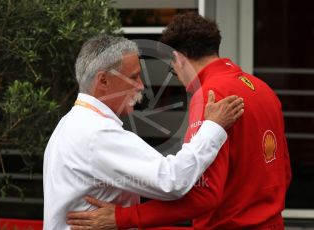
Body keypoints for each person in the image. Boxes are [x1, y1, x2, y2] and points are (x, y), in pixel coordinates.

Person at [66, 13, 292, 230]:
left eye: (172, 69)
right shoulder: (264, 90)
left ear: (178, 58)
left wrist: (123, 217)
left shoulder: (209, 95)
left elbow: (202, 196)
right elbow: (284, 172)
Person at [43, 35, 244, 229]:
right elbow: (173, 180)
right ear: (103, 81)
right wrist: (213, 126)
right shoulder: (97, 134)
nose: (141, 85)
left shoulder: (70, 123)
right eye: (134, 77)